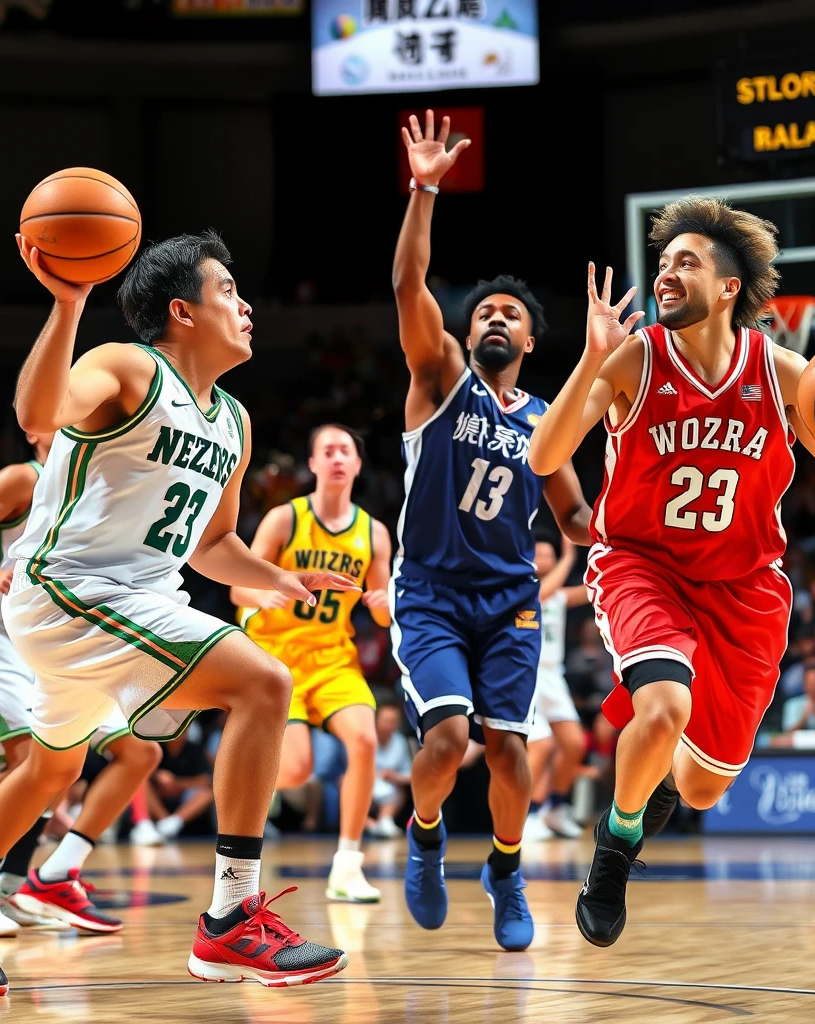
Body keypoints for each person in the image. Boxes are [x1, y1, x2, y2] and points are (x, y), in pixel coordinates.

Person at [0, 230, 359, 996]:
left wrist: (272, 576)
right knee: (263, 683)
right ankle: (232, 919)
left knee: (53, 767)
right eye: (227, 289)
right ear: (181, 311)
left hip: (130, 601)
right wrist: (68, 305)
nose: (247, 303)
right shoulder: (127, 366)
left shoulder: (233, 420)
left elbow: (213, 545)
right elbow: (37, 413)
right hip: (69, 589)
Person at [528, 195, 815, 948]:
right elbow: (545, 457)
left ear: (730, 287)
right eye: (664, 262)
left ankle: (657, 791)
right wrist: (589, 357)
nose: (667, 274)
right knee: (663, 707)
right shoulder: (636, 356)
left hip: (746, 588)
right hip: (643, 566)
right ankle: (616, 846)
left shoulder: (784, 373)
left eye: (688, 262)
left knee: (706, 784)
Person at [392, 110, 595, 951]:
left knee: (509, 751)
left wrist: (632, 533)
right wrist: (425, 189)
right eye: (485, 314)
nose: (497, 321)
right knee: (446, 740)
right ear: (467, 333)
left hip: (510, 600)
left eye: (512, 314)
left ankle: (506, 871)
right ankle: (428, 836)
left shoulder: (546, 420)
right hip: (433, 594)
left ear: (532, 338)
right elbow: (410, 287)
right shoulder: (440, 378)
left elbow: (576, 518)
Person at [0, 441, 164, 936]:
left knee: (138, 753)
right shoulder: (22, 478)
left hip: (61, 638)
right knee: (29, 768)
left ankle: (53, 874)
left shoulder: (103, 482)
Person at [231, 423, 392, 903]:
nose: (338, 457)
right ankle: (247, 773)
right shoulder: (285, 519)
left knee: (363, 739)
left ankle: (347, 864)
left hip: (333, 658)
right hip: (276, 658)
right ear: (315, 463)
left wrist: (387, 602)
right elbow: (239, 585)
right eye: (328, 450)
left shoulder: (374, 533)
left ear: (358, 465)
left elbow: (380, 613)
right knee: (297, 771)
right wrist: (264, 597)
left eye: (346, 450)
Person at [525, 536, 588, 840]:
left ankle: (554, 807)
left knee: (574, 744)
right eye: (538, 553)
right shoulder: (522, 588)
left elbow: (593, 589)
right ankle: (527, 815)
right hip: (527, 675)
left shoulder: (559, 595)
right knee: (542, 745)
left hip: (553, 675)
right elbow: (543, 593)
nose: (543, 558)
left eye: (549, 554)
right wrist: (568, 555)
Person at [147, 732, 215, 840]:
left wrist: (177, 784)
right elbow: (144, 775)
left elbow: (206, 780)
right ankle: (163, 820)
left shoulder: (194, 749)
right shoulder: (156, 747)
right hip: (159, 797)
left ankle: (172, 824)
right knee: (143, 788)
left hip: (185, 797)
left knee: (207, 794)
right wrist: (157, 776)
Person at [368, 703, 411, 838]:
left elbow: (409, 774)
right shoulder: (365, 738)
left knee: (399, 790)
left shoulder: (400, 741)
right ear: (375, 721)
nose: (390, 725)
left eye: (394, 722)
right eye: (386, 721)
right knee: (345, 783)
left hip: (389, 788)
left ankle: (385, 821)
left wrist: (395, 776)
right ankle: (370, 826)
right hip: (364, 784)